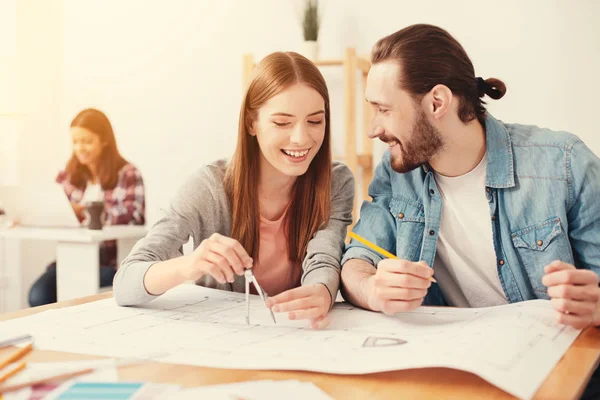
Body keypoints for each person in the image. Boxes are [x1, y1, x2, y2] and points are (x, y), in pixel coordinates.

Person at [340, 24, 599, 398]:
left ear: (437, 102)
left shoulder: (565, 165)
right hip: (453, 378)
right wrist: (372, 288)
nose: (372, 129)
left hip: (559, 381)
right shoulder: (398, 171)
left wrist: (595, 307)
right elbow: (357, 257)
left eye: (383, 109)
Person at [114, 52, 355, 329]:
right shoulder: (208, 187)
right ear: (252, 123)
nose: (301, 138)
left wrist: (322, 291)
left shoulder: (336, 182)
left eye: (315, 121)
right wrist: (189, 265)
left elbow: (324, 257)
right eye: (282, 122)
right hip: (223, 338)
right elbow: (125, 283)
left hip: (296, 334)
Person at [28, 108, 146, 307]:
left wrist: (84, 211)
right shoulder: (68, 175)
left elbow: (134, 214)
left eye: (87, 141)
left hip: (109, 263)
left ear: (104, 140)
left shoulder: (127, 173)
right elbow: (50, 209)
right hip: (71, 259)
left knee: (75, 291)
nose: (80, 147)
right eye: (75, 142)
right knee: (38, 295)